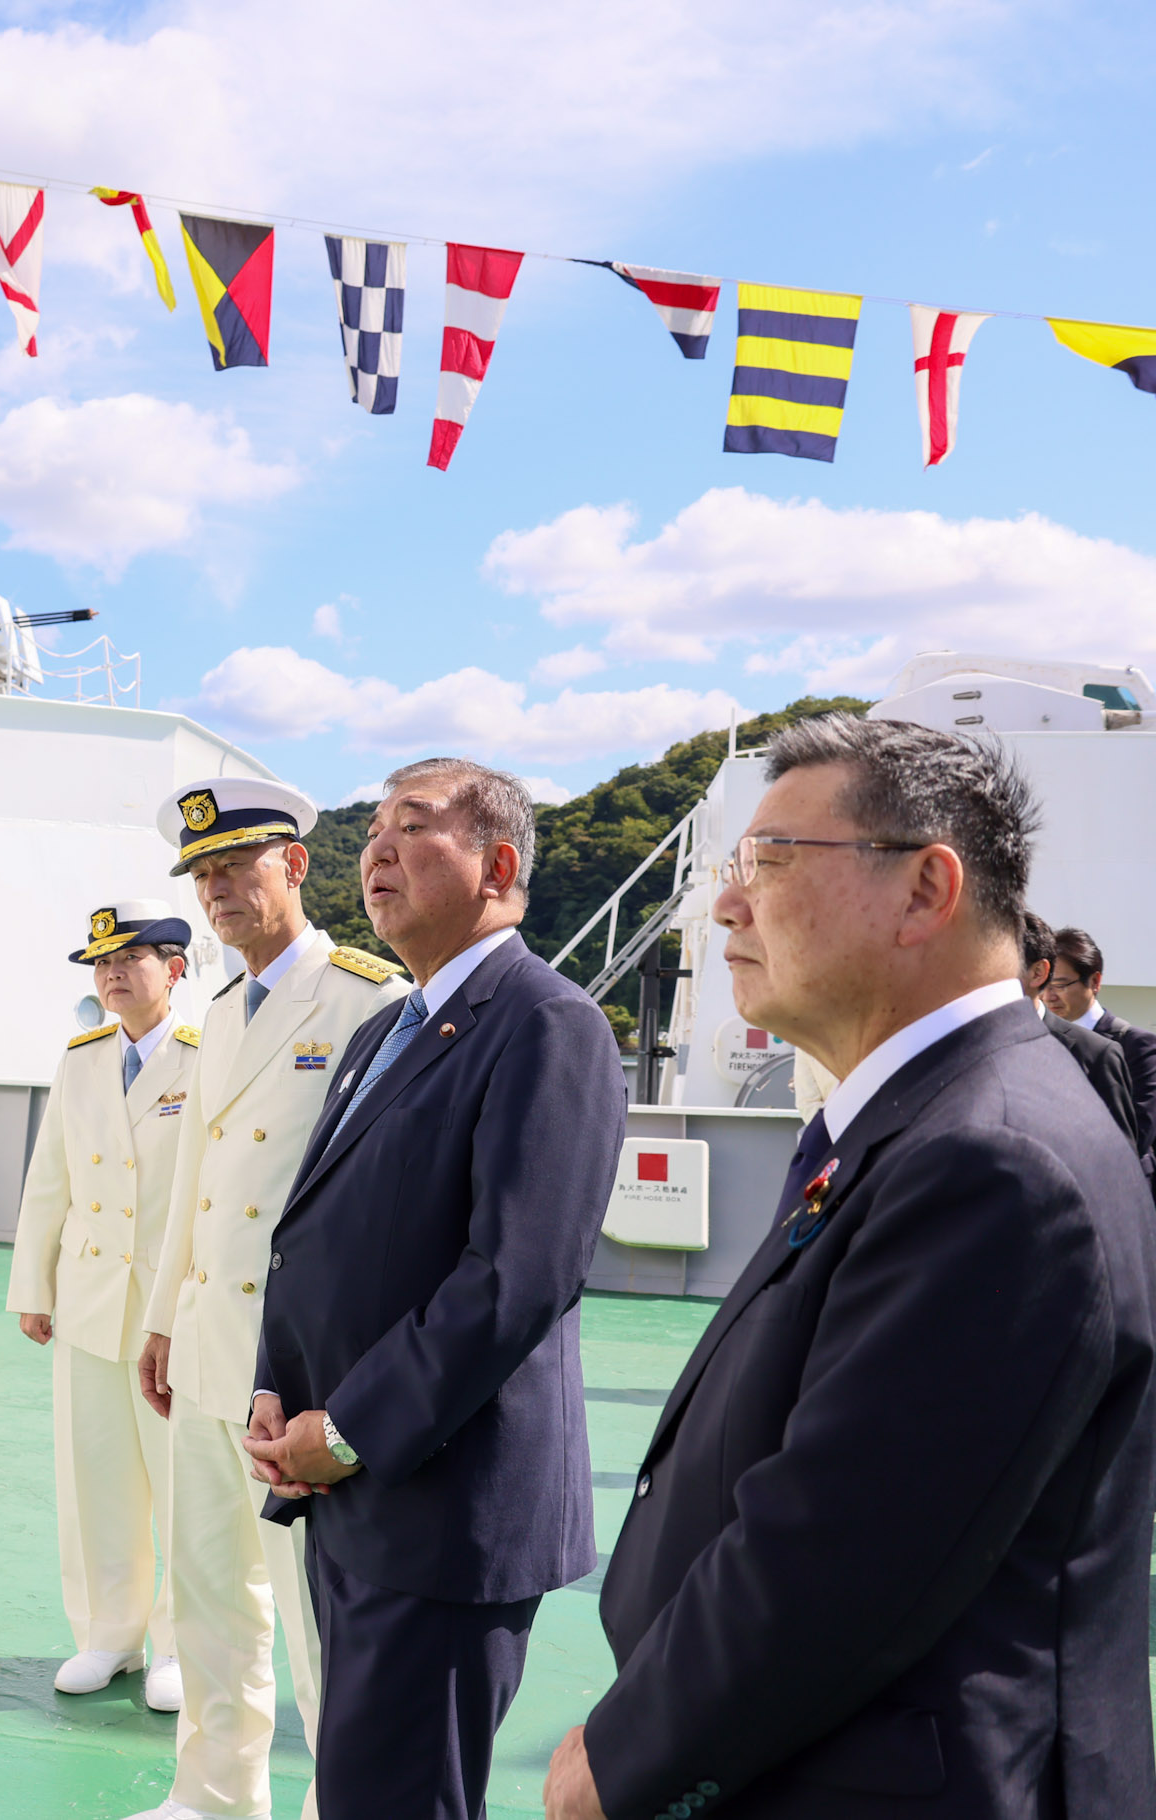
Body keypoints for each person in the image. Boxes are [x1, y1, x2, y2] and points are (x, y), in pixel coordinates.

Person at [547, 714, 1156, 1820]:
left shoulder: (991, 1160)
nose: (725, 903)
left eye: (768, 865)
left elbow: (835, 1554)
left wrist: (628, 1753)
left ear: (925, 889)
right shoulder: (923, 1120)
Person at [246, 757, 624, 1820]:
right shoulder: (384, 1028)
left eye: (412, 826)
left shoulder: (545, 1022)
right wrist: (275, 1388)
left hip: (441, 1506)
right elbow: (314, 1231)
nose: (375, 849)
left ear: (497, 864)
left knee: (395, 1793)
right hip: (346, 1483)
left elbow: (516, 1276)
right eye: (372, 828)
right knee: (363, 1783)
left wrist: (351, 1425)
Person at [127, 778, 409, 1820]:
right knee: (205, 1594)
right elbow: (194, 1188)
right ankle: (211, 1790)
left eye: (233, 868)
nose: (215, 892)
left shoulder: (365, 998)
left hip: (296, 1367)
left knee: (314, 1612)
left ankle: (338, 1801)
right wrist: (161, 1318)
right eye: (201, 876)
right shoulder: (213, 1009)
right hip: (206, 1348)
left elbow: (382, 1212)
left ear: (290, 866)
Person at [7, 900, 203, 1710]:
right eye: (102, 962)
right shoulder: (81, 1059)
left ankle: (184, 1647)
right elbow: (49, 1178)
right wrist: (33, 1285)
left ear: (176, 970)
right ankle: (108, 1636)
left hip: (172, 1307)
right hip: (90, 1300)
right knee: (98, 1479)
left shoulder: (208, 1056)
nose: (114, 972)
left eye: (133, 957)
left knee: (185, 1484)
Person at [1018, 910, 1143, 1156]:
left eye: (1061, 985)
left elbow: (1120, 1157)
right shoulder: (967, 1045)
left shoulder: (1099, 1054)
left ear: (1038, 973)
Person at [1042, 924, 1156, 1142]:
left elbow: (1138, 1134)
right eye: (1044, 985)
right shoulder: (1037, 1038)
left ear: (1095, 982)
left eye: (1060, 985)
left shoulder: (1138, 1046)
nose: (1049, 996)